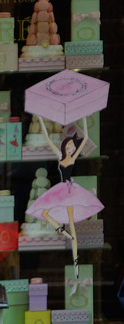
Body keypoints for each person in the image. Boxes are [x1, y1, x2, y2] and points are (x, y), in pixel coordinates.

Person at [26, 117, 103, 277]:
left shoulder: (72, 158)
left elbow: (86, 139)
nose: (70, 148)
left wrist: (83, 120)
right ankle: (62, 230)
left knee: (72, 224)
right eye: (68, 146)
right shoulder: (61, 157)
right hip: (61, 190)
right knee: (45, 213)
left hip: (70, 191)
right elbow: (47, 138)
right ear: (63, 147)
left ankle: (76, 264)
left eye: (72, 146)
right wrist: (40, 120)